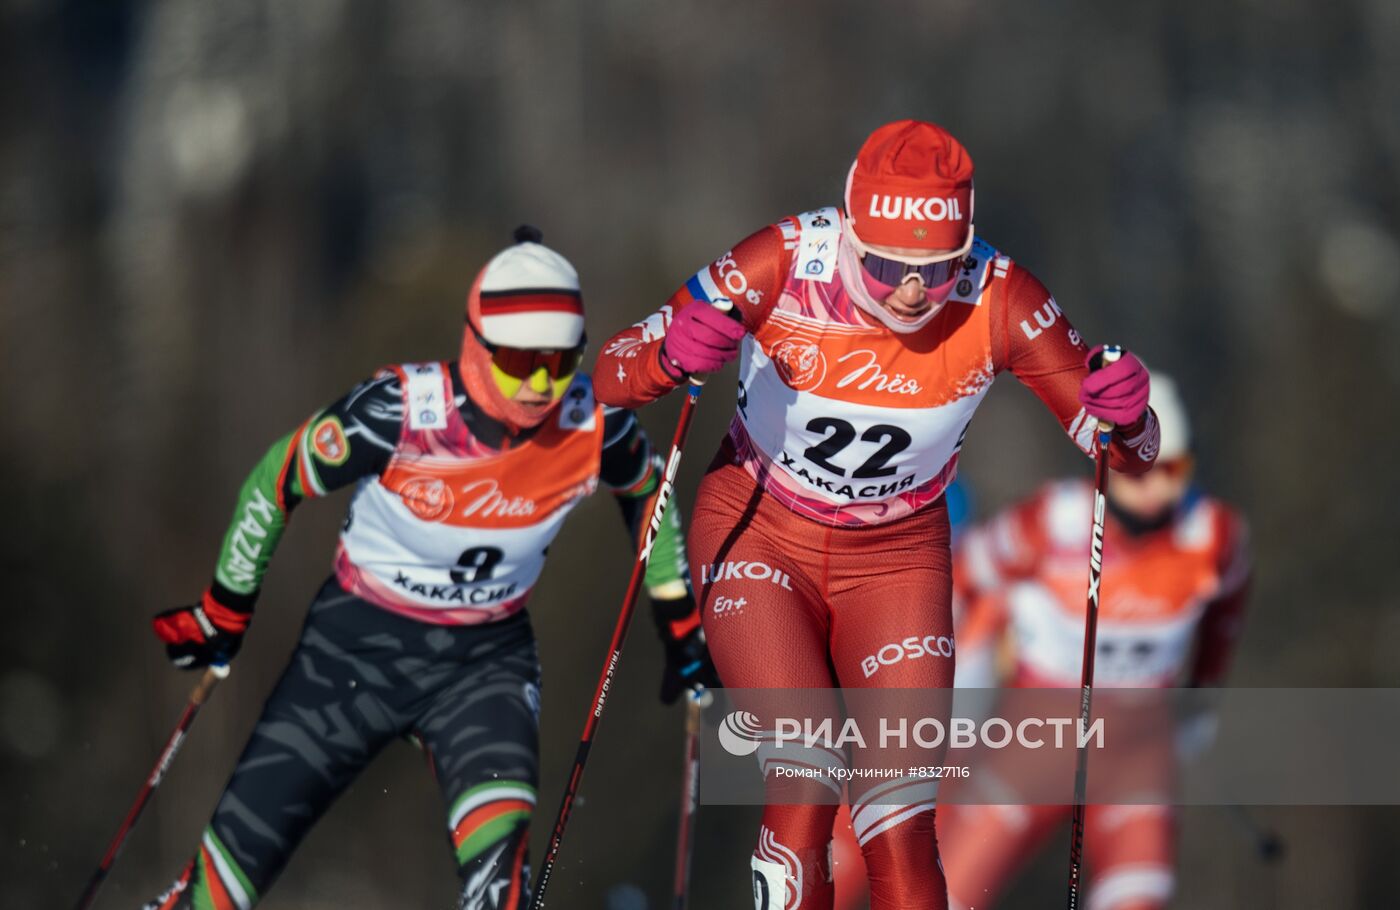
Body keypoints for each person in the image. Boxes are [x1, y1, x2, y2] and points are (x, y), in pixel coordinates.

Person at [593, 120, 1160, 910]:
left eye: (937, 269)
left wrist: (1130, 419)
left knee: (900, 824)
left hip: (897, 559)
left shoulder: (1000, 296)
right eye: (887, 263)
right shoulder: (780, 262)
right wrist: (665, 355)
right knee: (808, 764)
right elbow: (609, 375)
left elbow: (1126, 457)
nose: (911, 290)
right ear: (850, 231)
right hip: (761, 530)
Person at [143, 227, 718, 910]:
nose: (539, 384)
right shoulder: (402, 413)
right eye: (519, 360)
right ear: (476, 345)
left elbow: (651, 490)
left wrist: (680, 622)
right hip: (352, 653)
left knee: (499, 890)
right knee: (217, 894)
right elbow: (277, 479)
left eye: (560, 362)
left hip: (483, 667)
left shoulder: (593, 425)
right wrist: (224, 610)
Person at [935, 373, 1252, 910]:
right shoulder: (1054, 521)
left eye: (1175, 469)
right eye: (1139, 471)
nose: (1157, 490)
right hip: (1032, 750)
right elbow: (962, 574)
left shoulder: (1213, 536)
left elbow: (1226, 615)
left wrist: (1203, 692)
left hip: (1134, 759)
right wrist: (957, 669)